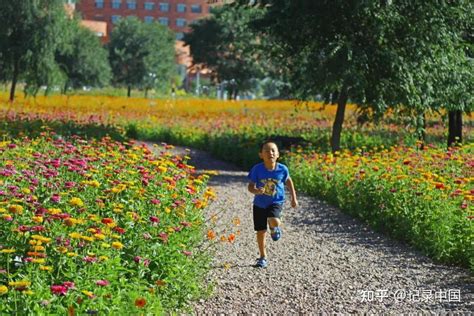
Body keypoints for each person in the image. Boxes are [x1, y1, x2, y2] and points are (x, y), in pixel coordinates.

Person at [247, 140, 298, 268]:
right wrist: (255, 191)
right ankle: (262, 257)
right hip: (259, 204)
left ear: (278, 154)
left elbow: (289, 181)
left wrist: (293, 198)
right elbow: (250, 186)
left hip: (276, 201)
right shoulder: (257, 169)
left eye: (273, 150)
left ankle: (275, 228)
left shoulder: (282, 169)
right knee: (260, 231)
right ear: (261, 155)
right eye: (266, 150)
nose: (270, 153)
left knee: (273, 219)